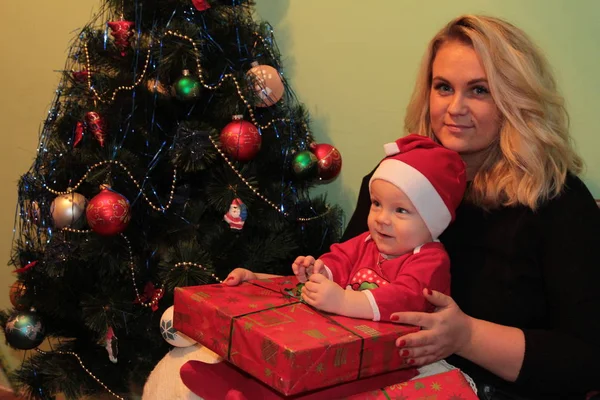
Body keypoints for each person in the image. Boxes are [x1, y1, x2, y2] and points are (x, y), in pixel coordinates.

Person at [342, 14, 600, 400]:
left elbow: (587, 360)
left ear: (515, 100)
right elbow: (345, 274)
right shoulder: (393, 181)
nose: (455, 108)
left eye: (479, 90)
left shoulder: (558, 202)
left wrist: (466, 336)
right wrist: (273, 287)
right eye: (443, 87)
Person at [226, 134, 466, 323]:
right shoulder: (366, 242)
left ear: (431, 220)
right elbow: (339, 259)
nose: (382, 218)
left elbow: (405, 298)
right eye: (377, 204)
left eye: (401, 210)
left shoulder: (430, 260)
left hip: (403, 360)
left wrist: (343, 301)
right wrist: (319, 273)